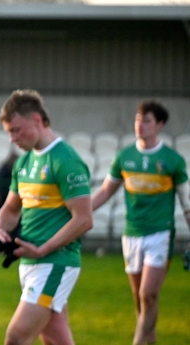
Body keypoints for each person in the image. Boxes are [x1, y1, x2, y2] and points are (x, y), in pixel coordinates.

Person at [0, 89, 92, 345]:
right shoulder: (23, 164)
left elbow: (84, 219)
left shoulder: (65, 160)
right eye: (9, 132)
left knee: (16, 336)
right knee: (56, 339)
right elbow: (11, 209)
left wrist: (43, 248)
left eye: (16, 130)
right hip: (30, 263)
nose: (12, 138)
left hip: (55, 261)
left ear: (37, 120)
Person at [91, 100, 190, 345]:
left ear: (159, 125)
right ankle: (150, 341)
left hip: (160, 233)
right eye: (138, 119)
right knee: (140, 298)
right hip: (131, 233)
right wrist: (77, 212)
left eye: (146, 120)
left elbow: (187, 204)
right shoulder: (124, 157)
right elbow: (105, 192)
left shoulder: (173, 160)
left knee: (148, 293)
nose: (140, 125)